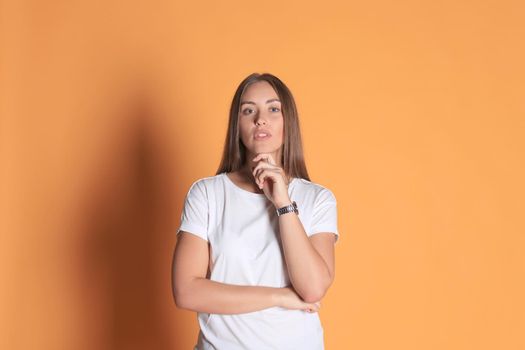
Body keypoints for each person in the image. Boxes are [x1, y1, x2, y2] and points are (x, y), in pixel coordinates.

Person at [172, 72, 339, 349]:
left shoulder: (317, 199)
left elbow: (312, 288)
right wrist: (279, 297)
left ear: (289, 122)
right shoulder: (207, 194)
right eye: (248, 110)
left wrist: (283, 204)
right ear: (236, 125)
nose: (260, 119)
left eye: (273, 109)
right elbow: (186, 291)